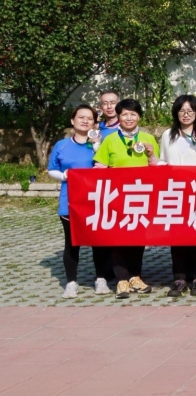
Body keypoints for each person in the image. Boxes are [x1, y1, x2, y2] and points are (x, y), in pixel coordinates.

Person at [92, 98, 160, 299]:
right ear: (118, 117)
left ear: (139, 117)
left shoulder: (148, 138)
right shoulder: (110, 140)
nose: (129, 118)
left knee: (138, 238)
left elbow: (157, 169)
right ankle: (121, 279)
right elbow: (99, 168)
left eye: (133, 114)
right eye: (125, 114)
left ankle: (135, 276)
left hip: (141, 197)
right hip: (116, 198)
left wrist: (151, 154)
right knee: (118, 238)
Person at [47, 104, 111, 297]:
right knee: (72, 242)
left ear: (95, 122)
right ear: (72, 120)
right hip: (70, 201)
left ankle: (101, 279)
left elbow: (109, 167)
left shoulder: (102, 144)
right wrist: (63, 175)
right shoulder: (62, 145)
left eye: (90, 118)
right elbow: (52, 169)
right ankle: (71, 282)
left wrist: (98, 145)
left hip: (97, 201)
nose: (85, 121)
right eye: (81, 117)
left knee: (98, 242)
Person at [159, 94, 196, 297]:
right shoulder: (167, 135)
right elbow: (162, 160)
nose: (186, 114)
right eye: (182, 110)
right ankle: (179, 278)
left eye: (190, 111)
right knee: (177, 236)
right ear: (176, 113)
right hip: (174, 192)